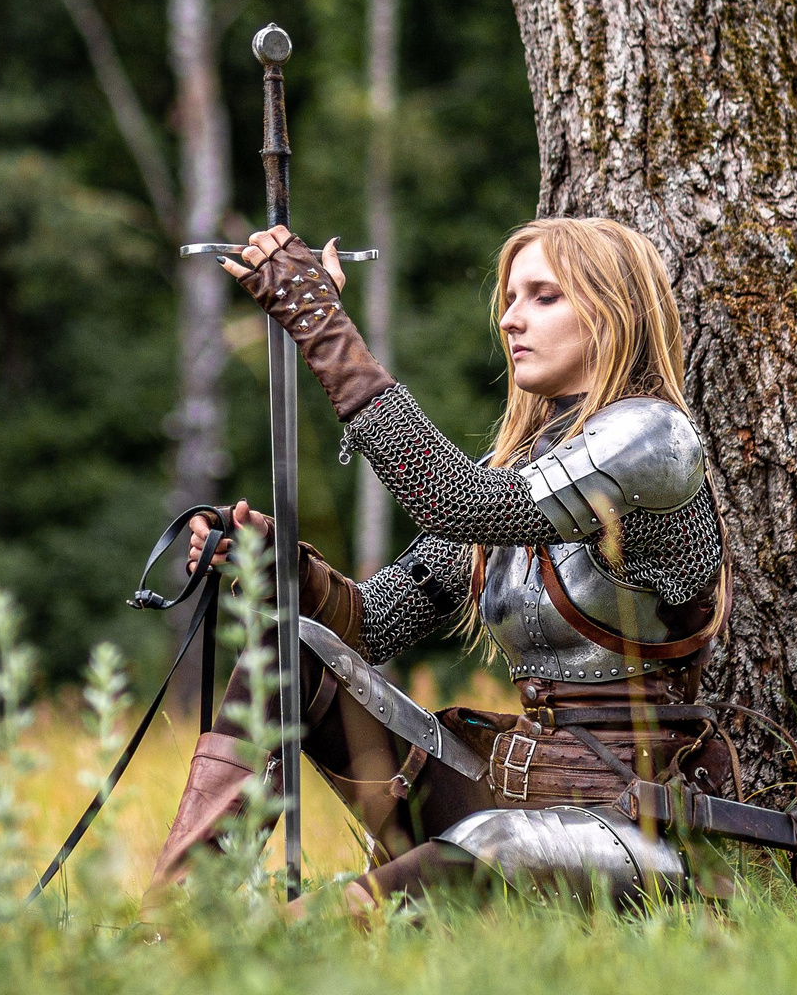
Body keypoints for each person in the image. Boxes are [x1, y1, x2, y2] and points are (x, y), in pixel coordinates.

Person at [150, 216, 730, 914]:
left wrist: (321, 323)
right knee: (289, 646)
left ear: (614, 312)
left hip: (631, 828)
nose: (513, 320)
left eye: (545, 297)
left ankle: (292, 936)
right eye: (511, 299)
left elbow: (457, 500)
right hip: (506, 797)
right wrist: (279, 566)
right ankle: (177, 919)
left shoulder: (655, 438)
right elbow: (373, 624)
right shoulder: (518, 469)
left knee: (470, 856)